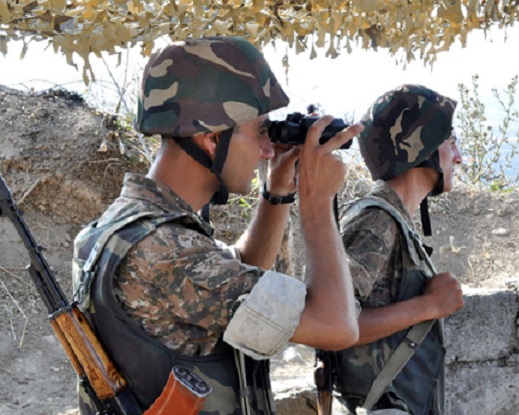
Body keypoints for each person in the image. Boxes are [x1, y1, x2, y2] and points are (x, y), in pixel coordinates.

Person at [71, 36, 362, 415]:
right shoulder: (167, 252)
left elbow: (238, 275)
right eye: (259, 132)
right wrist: (317, 202)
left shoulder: (122, 229)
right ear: (211, 138)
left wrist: (276, 191)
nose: (267, 149)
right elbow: (336, 327)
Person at [333, 84, 465, 415]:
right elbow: (333, 323)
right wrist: (429, 305)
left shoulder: (392, 218)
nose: (459, 157)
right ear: (424, 150)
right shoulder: (375, 220)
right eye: (451, 144)